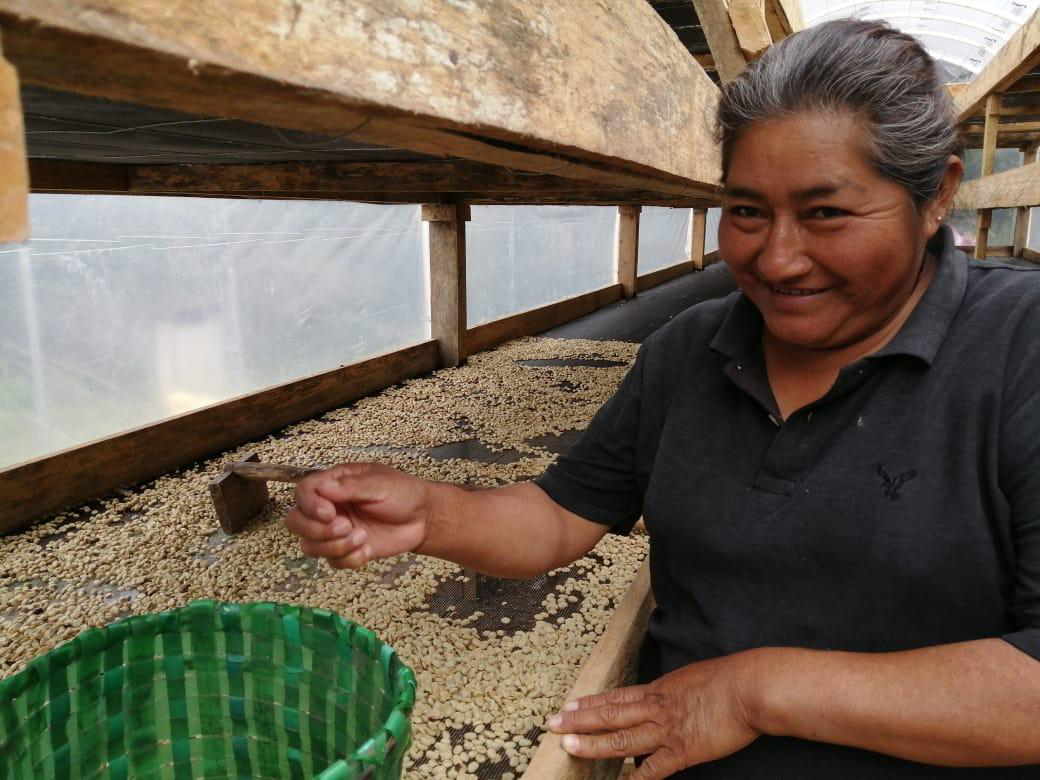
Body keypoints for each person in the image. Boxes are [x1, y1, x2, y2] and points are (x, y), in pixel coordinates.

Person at [284, 19, 1040, 779]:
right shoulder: (689, 350)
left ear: (937, 195)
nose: (777, 259)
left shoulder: (1021, 348)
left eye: (826, 213)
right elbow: (557, 515)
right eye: (746, 211)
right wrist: (432, 513)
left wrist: (755, 693)